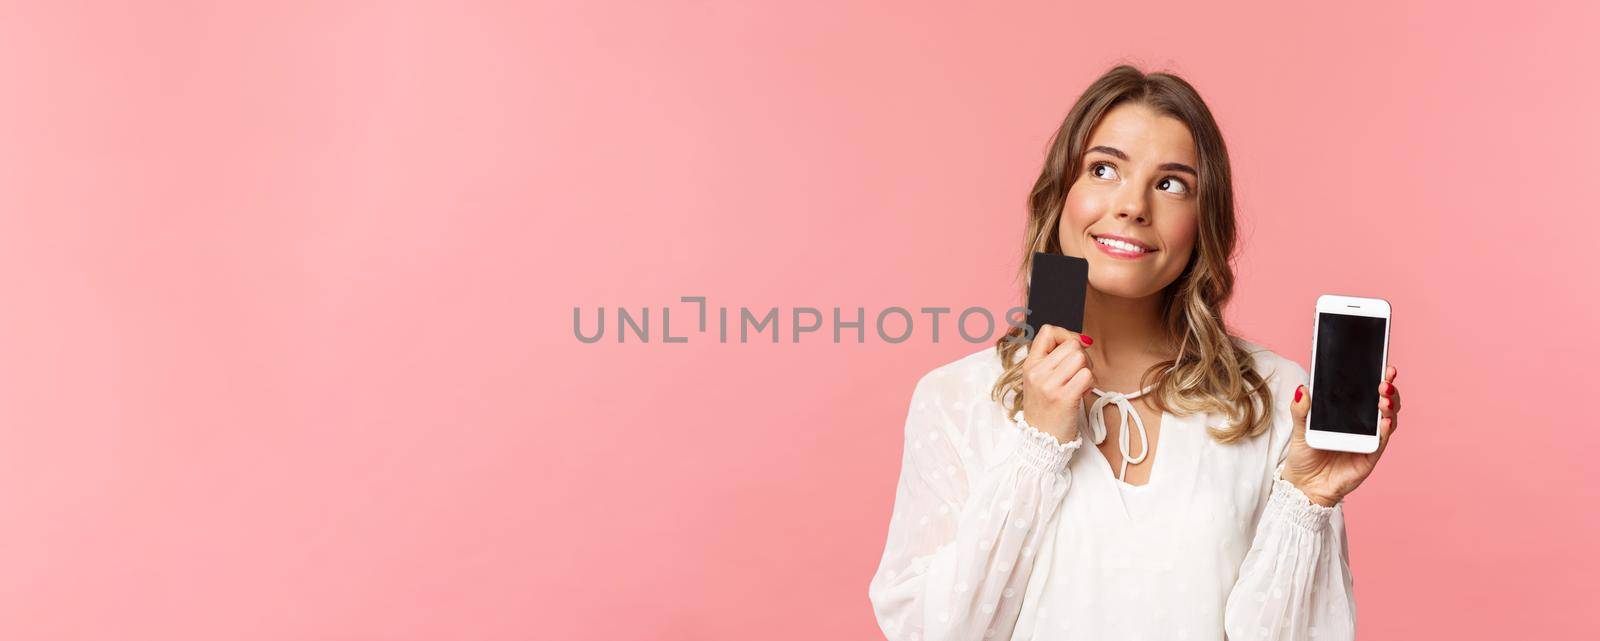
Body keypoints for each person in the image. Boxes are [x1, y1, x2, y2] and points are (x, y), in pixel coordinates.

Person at [866, 65, 1405, 641]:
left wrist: (1308, 498)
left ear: (1205, 221)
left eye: (1171, 183)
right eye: (1103, 170)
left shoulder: (1273, 396)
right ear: (1060, 196)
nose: (1133, 206)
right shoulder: (955, 400)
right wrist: (1038, 444)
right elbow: (933, 633)